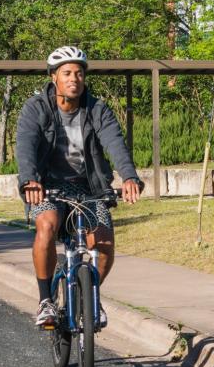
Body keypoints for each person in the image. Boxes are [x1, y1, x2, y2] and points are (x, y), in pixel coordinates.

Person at [15, 46, 143, 327]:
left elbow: (114, 142)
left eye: (79, 73)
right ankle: (45, 301)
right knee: (46, 225)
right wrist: (29, 179)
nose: (74, 78)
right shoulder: (36, 108)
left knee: (105, 243)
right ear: (54, 78)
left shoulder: (96, 109)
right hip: (47, 186)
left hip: (89, 188)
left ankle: (90, 296)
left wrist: (129, 177)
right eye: (67, 73)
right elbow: (26, 145)